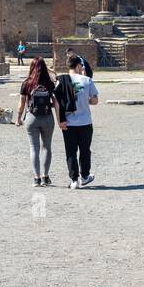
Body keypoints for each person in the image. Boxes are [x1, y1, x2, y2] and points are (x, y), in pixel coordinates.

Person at [54, 55, 99, 188]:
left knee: (70, 151)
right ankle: (85, 176)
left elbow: (56, 102)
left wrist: (59, 121)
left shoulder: (61, 80)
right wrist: (86, 101)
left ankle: (74, 180)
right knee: (85, 150)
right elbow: (95, 100)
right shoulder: (87, 80)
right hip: (85, 122)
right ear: (79, 66)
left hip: (68, 122)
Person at [15, 58, 56, 187]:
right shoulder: (50, 83)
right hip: (48, 117)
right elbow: (55, 103)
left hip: (31, 117)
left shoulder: (27, 83)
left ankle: (36, 178)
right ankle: (45, 176)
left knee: (34, 148)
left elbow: (21, 104)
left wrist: (18, 118)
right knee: (47, 147)